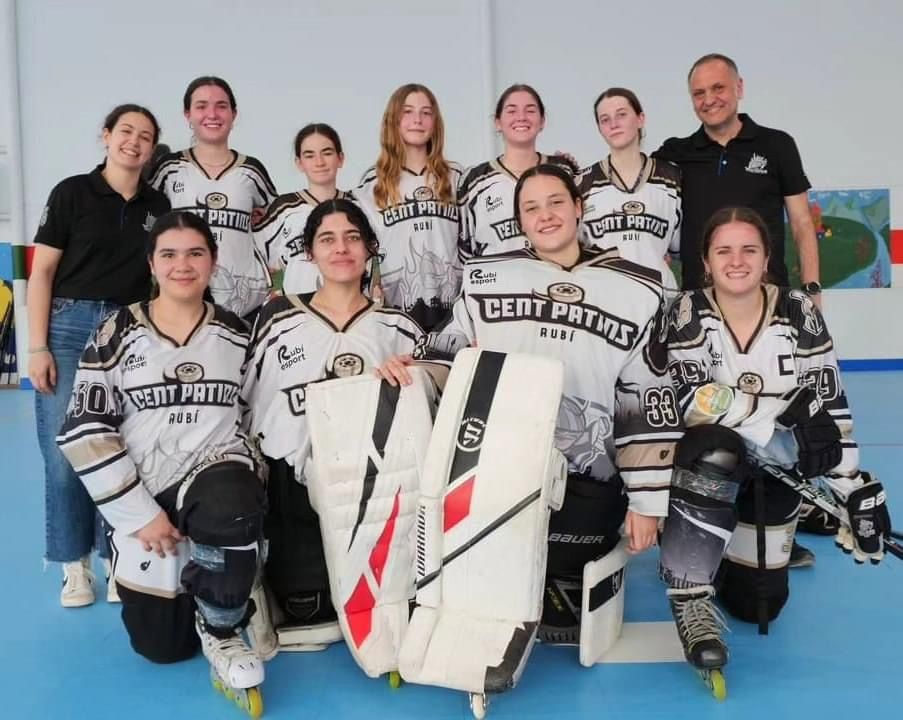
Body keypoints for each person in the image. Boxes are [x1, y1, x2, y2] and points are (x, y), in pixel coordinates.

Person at [381, 163, 682, 643]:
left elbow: (645, 396)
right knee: (490, 584)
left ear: (579, 207)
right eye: (531, 208)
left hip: (586, 481)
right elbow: (448, 352)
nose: (545, 216)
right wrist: (410, 371)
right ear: (519, 220)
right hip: (499, 474)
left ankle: (563, 568)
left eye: (556, 202)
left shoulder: (638, 286)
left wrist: (647, 501)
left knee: (562, 607)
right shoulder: (488, 277)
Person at [658, 206, 892, 680]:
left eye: (750, 249)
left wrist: (854, 488)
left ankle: (720, 553)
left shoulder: (798, 310)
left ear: (767, 259)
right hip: (706, 466)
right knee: (713, 444)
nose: (737, 260)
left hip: (773, 470)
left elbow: (830, 408)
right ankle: (690, 590)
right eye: (724, 250)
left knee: (759, 605)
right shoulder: (685, 312)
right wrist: (779, 409)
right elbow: (691, 399)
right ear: (705, 261)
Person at [56, 212, 268, 711]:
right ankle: (207, 588)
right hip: (144, 493)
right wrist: (139, 514)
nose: (182, 265)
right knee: (162, 649)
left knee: (230, 506)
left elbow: (266, 414)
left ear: (213, 262)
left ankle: (224, 623)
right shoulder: (117, 331)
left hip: (216, 474)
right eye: (169, 254)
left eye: (195, 253)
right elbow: (84, 430)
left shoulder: (239, 334)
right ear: (152, 264)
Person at [242, 198, 424, 644]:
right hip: (295, 489)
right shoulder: (277, 319)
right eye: (327, 239)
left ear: (368, 249)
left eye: (352, 238)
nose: (340, 248)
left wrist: (416, 373)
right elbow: (247, 404)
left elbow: (429, 407)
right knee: (311, 612)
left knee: (384, 606)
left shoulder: (398, 327)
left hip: (376, 488)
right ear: (310, 253)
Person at [27, 104, 171, 607]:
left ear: (153, 149)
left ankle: (117, 559)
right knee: (66, 453)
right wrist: (38, 345)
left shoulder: (158, 203)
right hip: (68, 329)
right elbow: (42, 272)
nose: (134, 142)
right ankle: (74, 567)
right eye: (126, 131)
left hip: (128, 330)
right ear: (106, 135)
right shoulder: (72, 193)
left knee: (122, 446)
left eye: (145, 136)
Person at [654, 54, 821, 299]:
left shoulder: (778, 145)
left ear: (739, 88)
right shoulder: (675, 152)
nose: (709, 100)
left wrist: (812, 289)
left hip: (768, 300)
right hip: (699, 305)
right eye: (699, 93)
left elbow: (802, 223)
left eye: (718, 88)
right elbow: (629, 175)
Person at [149, 76, 277, 319]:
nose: (212, 114)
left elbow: (277, 226)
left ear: (233, 114)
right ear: (187, 114)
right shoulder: (169, 168)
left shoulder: (251, 170)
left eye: (221, 106)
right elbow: (146, 220)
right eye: (201, 106)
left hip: (246, 305)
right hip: (182, 301)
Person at [354, 83, 461, 331]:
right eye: (408, 112)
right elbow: (366, 253)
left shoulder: (457, 177)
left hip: (455, 315)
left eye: (426, 112)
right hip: (399, 314)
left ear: (436, 122)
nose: (418, 120)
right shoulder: (372, 183)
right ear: (393, 120)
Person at [578, 87, 681, 294]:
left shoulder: (672, 178)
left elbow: (679, 249)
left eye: (621, 115)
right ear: (599, 128)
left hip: (661, 299)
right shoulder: (582, 182)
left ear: (640, 119)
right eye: (605, 119)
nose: (614, 124)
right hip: (605, 301)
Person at [457, 83, 577, 260]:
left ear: (542, 121)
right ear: (498, 122)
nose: (521, 117)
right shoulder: (475, 180)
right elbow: (465, 250)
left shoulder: (563, 170)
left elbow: (579, 232)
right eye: (511, 111)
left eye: (530, 110)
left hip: (554, 282)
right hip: (498, 285)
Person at [253, 123, 357, 294]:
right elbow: (252, 258)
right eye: (309, 155)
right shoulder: (284, 209)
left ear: (341, 159)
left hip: (352, 311)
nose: (319, 162)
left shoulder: (358, 206)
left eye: (327, 153)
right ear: (299, 163)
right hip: (298, 313)